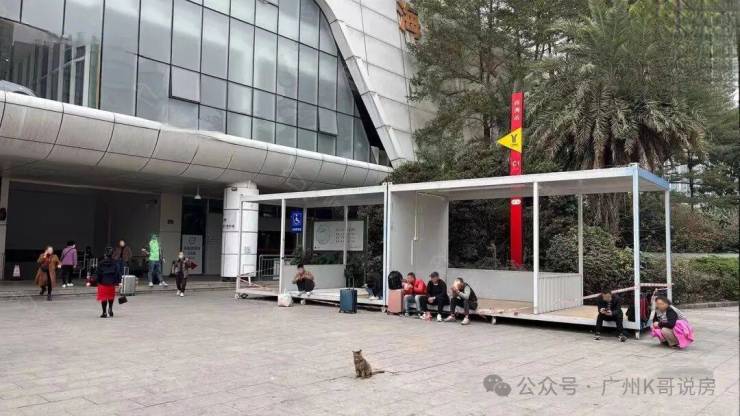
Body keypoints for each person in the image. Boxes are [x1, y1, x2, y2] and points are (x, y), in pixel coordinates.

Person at [96, 247, 121, 318]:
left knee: (104, 298)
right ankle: (110, 309)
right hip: (112, 282)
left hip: (103, 282)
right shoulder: (115, 262)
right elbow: (117, 272)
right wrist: (118, 281)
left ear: (105, 254)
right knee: (110, 297)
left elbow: (98, 273)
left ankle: (104, 313)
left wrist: (98, 281)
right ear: (112, 254)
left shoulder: (101, 262)